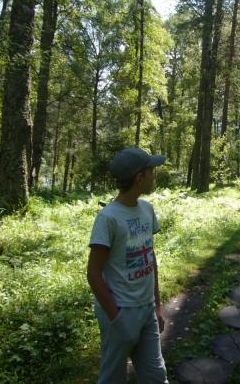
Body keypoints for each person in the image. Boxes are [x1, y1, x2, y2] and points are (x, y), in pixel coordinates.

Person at [87, 147, 169, 384]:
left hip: (147, 310)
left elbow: (150, 258)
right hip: (120, 310)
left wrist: (157, 306)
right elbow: (93, 274)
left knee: (156, 376)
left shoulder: (147, 210)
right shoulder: (108, 218)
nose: (154, 175)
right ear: (139, 177)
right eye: (151, 171)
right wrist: (116, 318)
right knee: (113, 377)